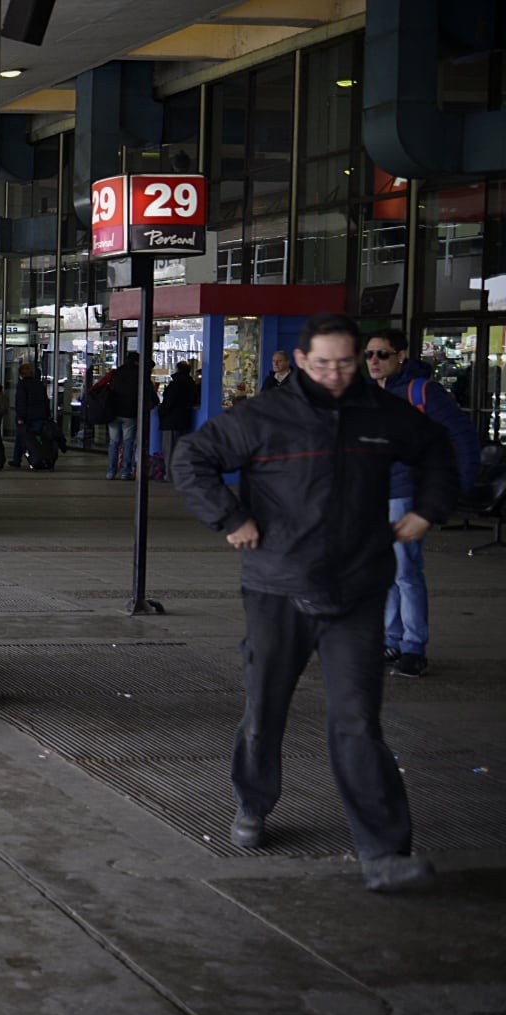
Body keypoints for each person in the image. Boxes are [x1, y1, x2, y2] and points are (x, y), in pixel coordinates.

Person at [170, 313, 458, 893]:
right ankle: (253, 803)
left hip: (357, 588)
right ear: (300, 360)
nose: (334, 374)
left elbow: (438, 451)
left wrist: (428, 509)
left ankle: (384, 852)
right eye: (322, 363)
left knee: (357, 721)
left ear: (360, 360)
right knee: (265, 709)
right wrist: (232, 518)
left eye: (346, 363)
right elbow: (190, 459)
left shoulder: (381, 415)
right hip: (277, 586)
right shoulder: (262, 417)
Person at [363, 328, 482, 678]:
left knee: (405, 572)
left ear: (401, 355)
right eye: (369, 354)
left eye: (382, 354)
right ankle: (393, 639)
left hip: (405, 494)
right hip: (376, 495)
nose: (374, 361)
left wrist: (451, 491)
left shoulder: (423, 391)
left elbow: (462, 439)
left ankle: (414, 647)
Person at [106, 351, 158, 480]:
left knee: (114, 443)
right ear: (137, 361)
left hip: (113, 413)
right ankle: (125, 472)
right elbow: (150, 394)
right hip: (130, 413)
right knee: (128, 443)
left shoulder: (117, 372)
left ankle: (111, 472)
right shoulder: (140, 375)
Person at [156, 360, 200, 476]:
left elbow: (169, 402)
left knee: (169, 450)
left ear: (177, 369)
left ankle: (170, 474)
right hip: (184, 420)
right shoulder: (191, 383)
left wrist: (161, 412)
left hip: (171, 421)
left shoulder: (175, 384)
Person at [10, 361, 52, 468]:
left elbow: (21, 402)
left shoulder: (22, 385)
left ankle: (17, 460)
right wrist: (47, 414)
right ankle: (42, 457)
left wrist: (20, 417)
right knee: (39, 439)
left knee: (21, 437)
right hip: (40, 417)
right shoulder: (39, 384)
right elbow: (45, 401)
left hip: (27, 418)